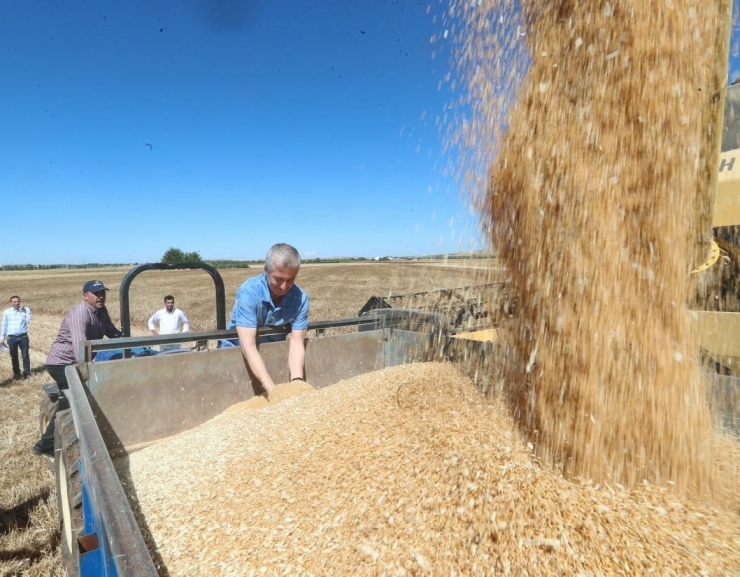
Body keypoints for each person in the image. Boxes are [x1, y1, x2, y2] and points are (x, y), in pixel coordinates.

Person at [32, 280, 122, 458]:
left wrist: (130, 343)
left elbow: (111, 331)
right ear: (85, 296)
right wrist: (88, 369)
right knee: (76, 402)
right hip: (62, 363)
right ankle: (47, 444)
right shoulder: (79, 314)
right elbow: (79, 347)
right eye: (96, 293)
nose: (101, 296)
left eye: (103, 293)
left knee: (67, 403)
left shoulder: (102, 311)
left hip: (75, 362)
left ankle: (45, 444)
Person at [227, 243, 309, 399]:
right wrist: (273, 390)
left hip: (269, 354)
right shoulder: (249, 292)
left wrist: (297, 383)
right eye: (278, 279)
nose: (284, 286)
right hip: (236, 355)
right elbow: (248, 345)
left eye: (290, 280)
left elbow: (297, 342)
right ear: (265, 269)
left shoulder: (300, 298)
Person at [1, 295, 32, 380]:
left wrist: (22, 311)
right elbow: (4, 325)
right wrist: (1, 338)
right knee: (14, 356)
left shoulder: (26, 310)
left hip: (23, 336)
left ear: (20, 301)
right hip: (11, 337)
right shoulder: (7, 312)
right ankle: (17, 373)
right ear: (11, 303)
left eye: (18, 301)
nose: (16, 303)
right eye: (14, 302)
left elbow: (28, 320)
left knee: (25, 356)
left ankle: (27, 373)